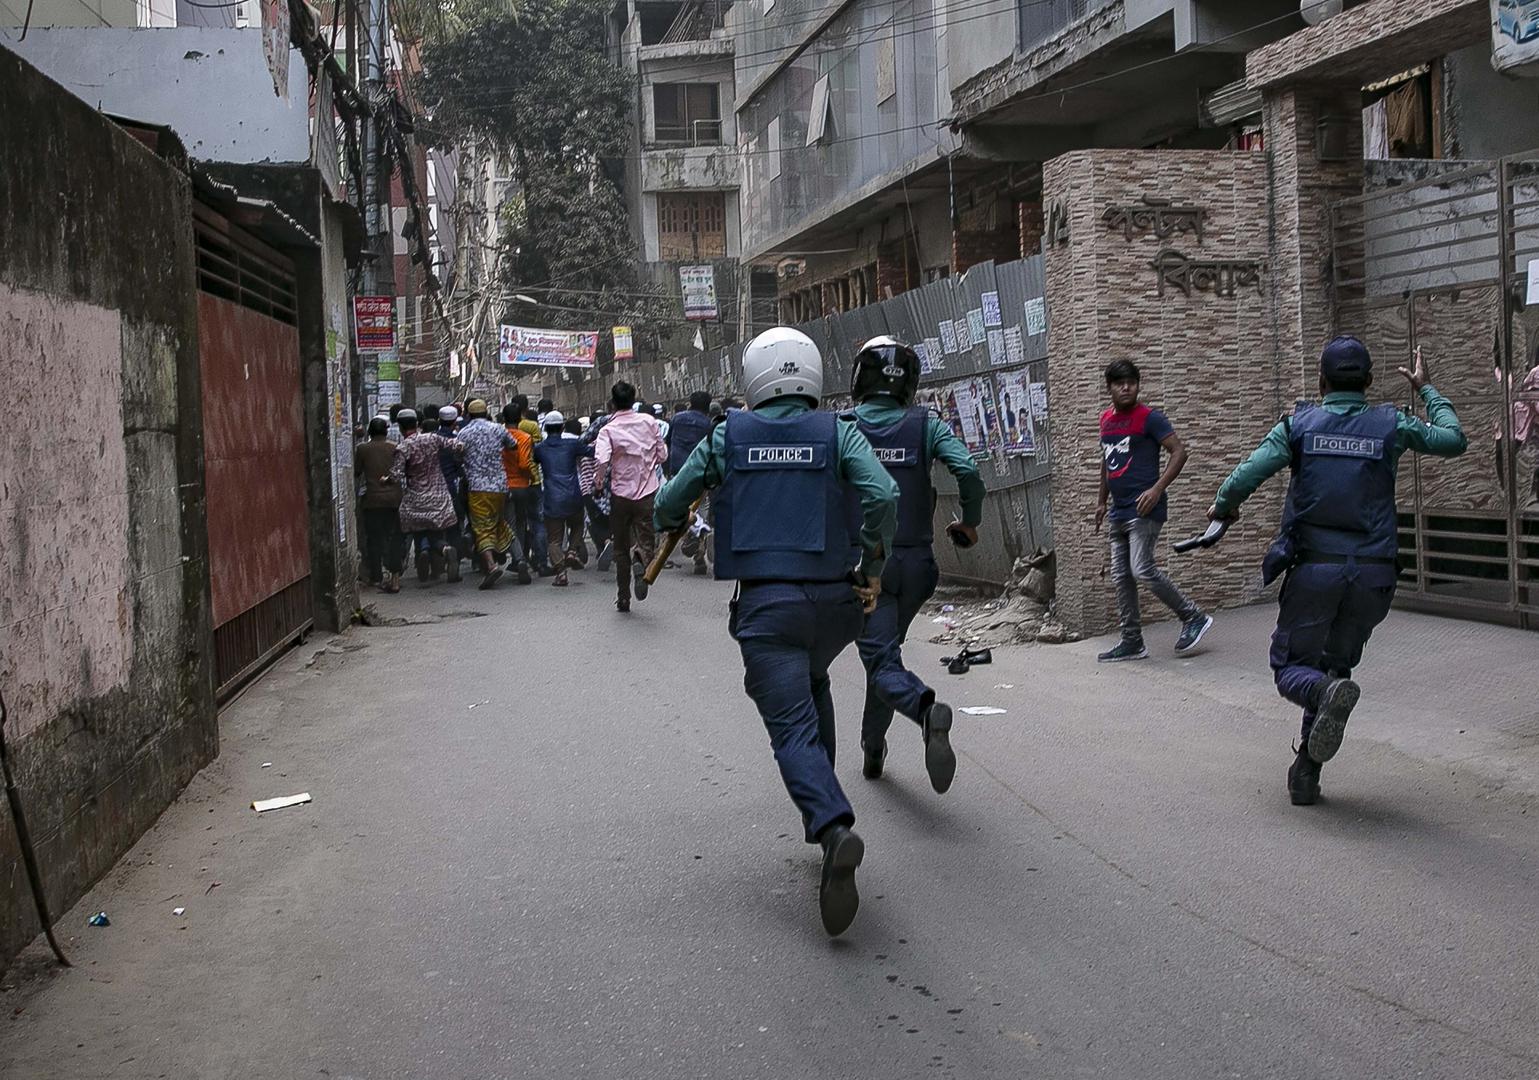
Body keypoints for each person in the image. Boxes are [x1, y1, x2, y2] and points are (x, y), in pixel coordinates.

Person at [655, 327, 898, 937]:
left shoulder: (725, 436)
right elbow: (883, 495)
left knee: (791, 726)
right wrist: (871, 565)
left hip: (767, 608)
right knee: (813, 680)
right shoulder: (837, 432)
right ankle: (826, 808)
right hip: (837, 605)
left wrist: (677, 507)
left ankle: (833, 825)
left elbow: (667, 504)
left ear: (755, 377)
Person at [1207, 338, 1466, 806]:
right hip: (1373, 575)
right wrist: (1427, 390)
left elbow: (1246, 475)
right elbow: (1453, 439)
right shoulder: (1391, 425)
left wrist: (1223, 507)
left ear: (1321, 382)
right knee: (1335, 666)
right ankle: (1306, 772)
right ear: (1368, 383)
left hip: (1314, 572)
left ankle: (1324, 696)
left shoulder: (1299, 425)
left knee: (1293, 669)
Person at [846, 336, 987, 794]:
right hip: (919, 567)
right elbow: (967, 470)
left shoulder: (843, 426)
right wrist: (969, 522)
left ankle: (926, 710)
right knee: (884, 656)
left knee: (882, 659)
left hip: (870, 568)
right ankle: (872, 748)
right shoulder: (926, 425)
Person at [1094, 359, 1213, 662]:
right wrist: (1100, 501)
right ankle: (1132, 641)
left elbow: (1179, 451)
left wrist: (1158, 488)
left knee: (1141, 568)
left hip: (1144, 508)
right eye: (1120, 383)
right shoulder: (1106, 420)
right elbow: (1107, 462)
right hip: (1118, 512)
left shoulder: (1150, 418)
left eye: (1131, 382)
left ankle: (1193, 616)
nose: (1126, 387)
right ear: (1109, 387)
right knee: (1122, 576)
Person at [594, 381, 667, 612]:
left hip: (620, 495)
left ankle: (623, 597)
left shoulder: (607, 430)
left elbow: (602, 460)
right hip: (647, 493)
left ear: (612, 403)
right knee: (647, 539)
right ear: (634, 399)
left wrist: (598, 483)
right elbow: (663, 454)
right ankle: (640, 558)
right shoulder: (649, 421)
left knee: (619, 547)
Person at [391, 409, 464, 583]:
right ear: (416, 424)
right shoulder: (433, 438)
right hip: (439, 496)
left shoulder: (403, 447)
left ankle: (422, 553)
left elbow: (396, 474)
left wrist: (386, 479)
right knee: (436, 533)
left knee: (417, 531)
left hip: (416, 498)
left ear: (400, 428)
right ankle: (445, 549)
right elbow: (458, 445)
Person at [455, 399, 522, 590]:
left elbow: (458, 457)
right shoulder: (498, 429)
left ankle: (491, 566)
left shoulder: (464, 433)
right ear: (485, 413)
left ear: (468, 415)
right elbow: (513, 445)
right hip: (500, 486)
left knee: (481, 527)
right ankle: (519, 558)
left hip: (477, 488)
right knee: (499, 522)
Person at [533, 410, 593, 587]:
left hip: (552, 497)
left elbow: (534, 460)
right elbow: (591, 452)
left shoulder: (540, 448)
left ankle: (561, 572)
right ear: (562, 427)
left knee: (554, 539)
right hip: (573, 494)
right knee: (577, 525)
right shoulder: (573, 444)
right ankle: (573, 551)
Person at [355, 416, 405, 593]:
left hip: (372, 500)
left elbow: (357, 471)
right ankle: (395, 577)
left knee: (374, 539)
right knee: (394, 538)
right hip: (394, 500)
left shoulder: (362, 449)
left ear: (370, 432)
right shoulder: (395, 448)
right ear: (386, 431)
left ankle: (377, 576)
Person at [669, 391, 716, 574]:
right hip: (701, 472)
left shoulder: (677, 419)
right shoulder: (708, 424)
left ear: (690, 403)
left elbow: (668, 440)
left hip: (679, 470)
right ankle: (701, 543)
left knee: (680, 509)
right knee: (702, 507)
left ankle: (694, 535)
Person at [499, 403, 536, 584]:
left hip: (503, 486)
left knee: (510, 524)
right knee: (521, 523)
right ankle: (520, 558)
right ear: (520, 418)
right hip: (521, 485)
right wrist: (530, 476)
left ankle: (517, 557)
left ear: (503, 419)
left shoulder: (498, 435)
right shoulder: (525, 437)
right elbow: (523, 464)